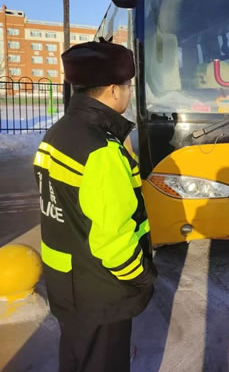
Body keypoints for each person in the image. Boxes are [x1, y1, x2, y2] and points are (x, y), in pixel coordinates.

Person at [33, 40, 156, 372]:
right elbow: (113, 243)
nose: (128, 94)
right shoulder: (101, 151)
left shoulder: (57, 134)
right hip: (102, 291)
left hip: (68, 283)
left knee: (78, 360)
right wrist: (141, 277)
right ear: (114, 90)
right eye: (128, 87)